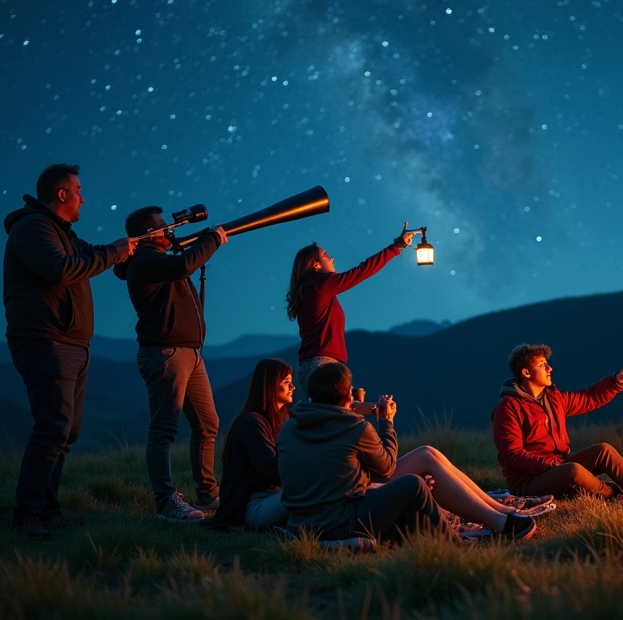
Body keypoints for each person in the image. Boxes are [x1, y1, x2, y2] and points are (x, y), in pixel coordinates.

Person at [3, 163, 137, 537]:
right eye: (78, 190)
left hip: (72, 344)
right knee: (52, 430)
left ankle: (47, 509)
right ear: (62, 194)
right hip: (47, 342)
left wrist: (135, 247)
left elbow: (92, 253)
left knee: (66, 433)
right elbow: (62, 269)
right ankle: (27, 515)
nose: (83, 197)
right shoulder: (32, 228)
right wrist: (114, 251)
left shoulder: (62, 232)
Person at [278, 362, 537, 543]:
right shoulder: (353, 427)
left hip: (303, 522)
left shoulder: (290, 428)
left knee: (426, 453)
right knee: (414, 481)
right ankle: (498, 525)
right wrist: (386, 421)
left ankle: (497, 513)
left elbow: (332, 472)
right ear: (348, 396)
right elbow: (387, 468)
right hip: (340, 522)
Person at [114, 206, 228, 522]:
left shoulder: (160, 261)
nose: (169, 229)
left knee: (208, 424)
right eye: (162, 226)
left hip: (189, 353)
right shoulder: (145, 261)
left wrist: (202, 244)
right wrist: (212, 240)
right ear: (145, 234)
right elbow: (184, 265)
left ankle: (209, 495)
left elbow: (181, 265)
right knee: (164, 429)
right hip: (166, 354)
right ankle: (165, 501)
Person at [491, 343, 623, 499]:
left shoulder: (553, 398)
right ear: (527, 372)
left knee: (604, 450)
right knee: (574, 470)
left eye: (548, 364)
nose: (550, 369)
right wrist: (548, 464)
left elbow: (587, 398)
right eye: (543, 365)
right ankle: (612, 495)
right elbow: (512, 454)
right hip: (527, 482)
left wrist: (616, 381)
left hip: (558, 466)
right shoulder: (508, 407)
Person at [284, 224, 415, 400]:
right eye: (326, 256)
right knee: (339, 421)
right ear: (315, 265)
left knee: (335, 418)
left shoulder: (310, 290)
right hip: (322, 367)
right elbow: (361, 271)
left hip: (315, 366)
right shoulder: (319, 285)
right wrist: (396, 247)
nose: (332, 258)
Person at [208, 359, 294, 530]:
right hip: (252, 507)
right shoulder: (252, 423)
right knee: (311, 490)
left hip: (273, 497)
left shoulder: (281, 420)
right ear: (269, 385)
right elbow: (272, 471)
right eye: (286, 382)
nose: (293, 387)